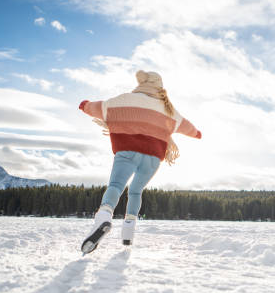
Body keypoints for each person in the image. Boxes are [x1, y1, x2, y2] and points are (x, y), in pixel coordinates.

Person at [79, 70, 202, 254]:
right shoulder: (169, 109)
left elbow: (101, 108)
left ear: (142, 83)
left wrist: (85, 105)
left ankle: (104, 216)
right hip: (153, 158)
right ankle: (128, 233)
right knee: (136, 191)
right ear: (159, 86)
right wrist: (197, 133)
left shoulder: (126, 99)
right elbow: (187, 127)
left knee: (116, 186)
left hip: (128, 151)